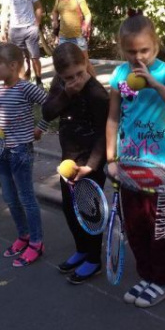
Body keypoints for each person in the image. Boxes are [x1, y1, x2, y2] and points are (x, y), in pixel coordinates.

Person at [105, 12, 165, 307]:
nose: (138, 57)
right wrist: (110, 159)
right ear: (121, 48)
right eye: (131, 52)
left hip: (160, 168)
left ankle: (163, 280)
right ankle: (147, 276)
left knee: (159, 227)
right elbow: (113, 118)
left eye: (144, 50)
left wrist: (155, 83)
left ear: (155, 45)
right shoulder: (119, 76)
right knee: (135, 225)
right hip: (128, 165)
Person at [42, 43, 109, 284]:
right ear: (60, 75)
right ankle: (81, 249)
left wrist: (91, 165)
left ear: (85, 64)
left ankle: (94, 258)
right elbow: (48, 112)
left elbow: (105, 133)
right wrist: (66, 93)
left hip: (91, 162)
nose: (75, 80)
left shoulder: (97, 93)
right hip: (68, 160)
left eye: (79, 74)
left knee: (90, 211)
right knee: (70, 209)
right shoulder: (60, 86)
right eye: (68, 77)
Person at [0, 43, 50, 267]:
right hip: (1, 150)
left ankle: (37, 242)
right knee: (10, 197)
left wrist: (40, 128)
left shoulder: (26, 88)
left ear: (13, 66)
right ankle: (23, 236)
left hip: (21, 150)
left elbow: (50, 105)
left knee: (26, 197)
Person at [0, 0, 45, 87]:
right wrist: (2, 30)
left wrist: (37, 24)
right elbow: (4, 12)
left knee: (34, 56)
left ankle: (39, 82)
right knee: (19, 58)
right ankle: (23, 84)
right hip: (15, 29)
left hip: (30, 27)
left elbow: (39, 7)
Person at [51, 0, 95, 77]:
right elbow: (54, 11)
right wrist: (55, 21)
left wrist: (86, 25)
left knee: (85, 63)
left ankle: (96, 87)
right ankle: (65, 88)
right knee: (63, 64)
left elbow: (88, 14)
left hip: (78, 37)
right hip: (63, 38)